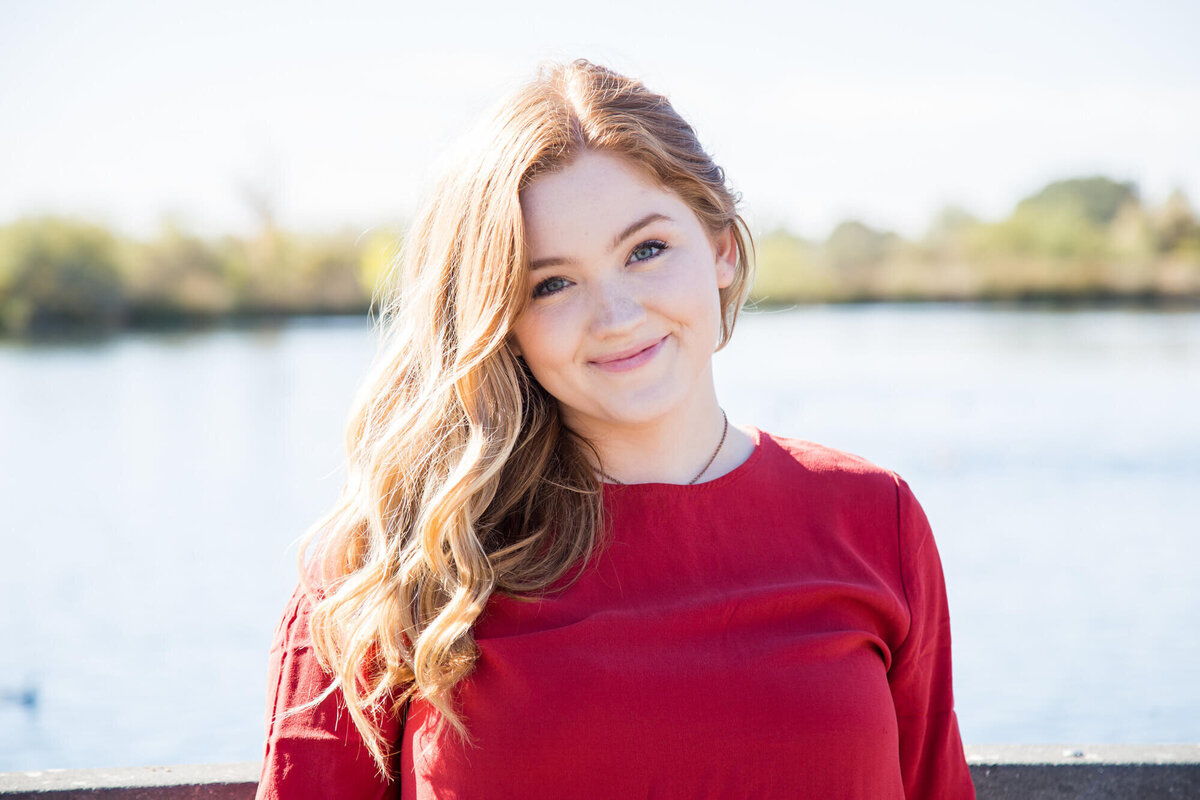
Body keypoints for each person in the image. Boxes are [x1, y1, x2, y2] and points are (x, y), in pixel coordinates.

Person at [256, 59, 975, 799]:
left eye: (647, 250)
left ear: (722, 247)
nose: (617, 316)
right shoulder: (393, 561)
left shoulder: (872, 519)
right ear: (498, 318)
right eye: (552, 284)